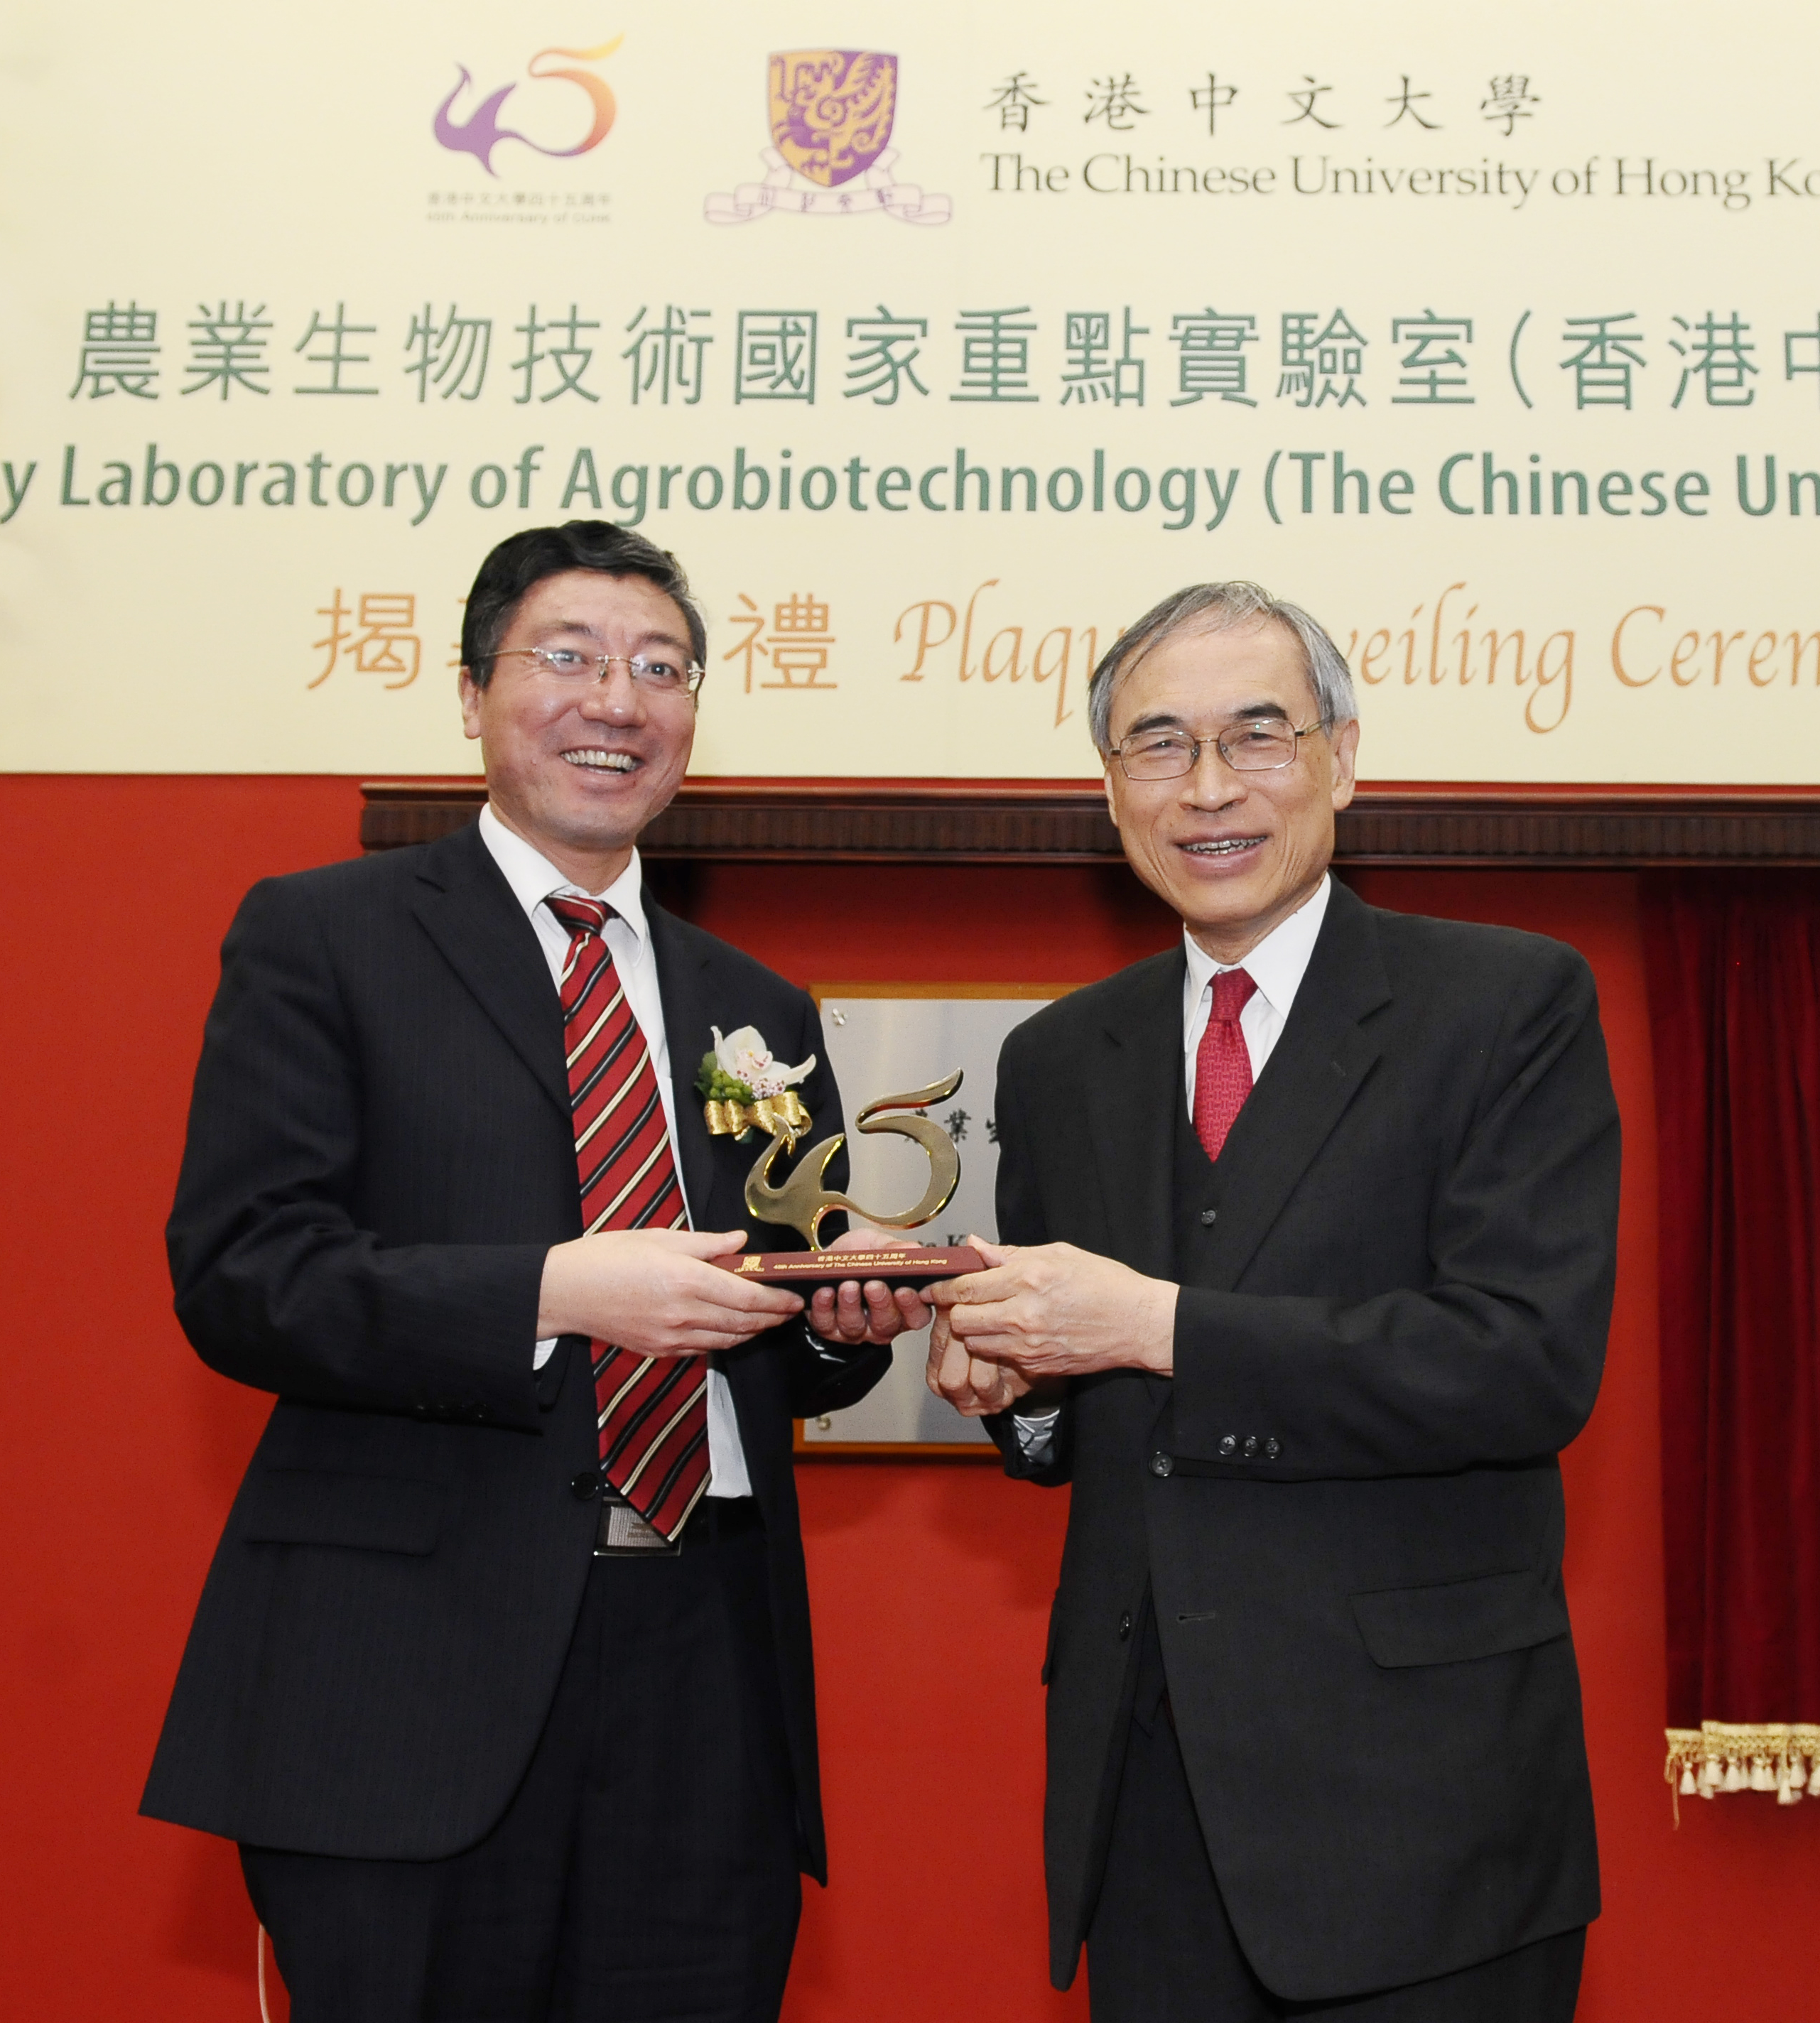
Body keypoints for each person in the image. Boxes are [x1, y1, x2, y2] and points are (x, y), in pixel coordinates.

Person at [142, 521, 926, 2022]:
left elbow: (793, 1321)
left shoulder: (752, 1004)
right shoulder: (326, 935)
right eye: (565, 658)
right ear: (470, 693)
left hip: (706, 1659)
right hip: (412, 1669)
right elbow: (244, 1270)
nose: (615, 700)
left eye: (659, 669)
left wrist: (848, 1317)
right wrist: (554, 1293)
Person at [928, 582, 1621, 2021]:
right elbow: (1081, 1394)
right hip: (1150, 1798)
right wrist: (1022, 1388)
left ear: (1341, 754)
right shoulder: (1060, 1056)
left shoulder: (1504, 1003)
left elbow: (1518, 1361)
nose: (1207, 790)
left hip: (1421, 1808)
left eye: (1256, 736)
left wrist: (1145, 1323)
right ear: (1109, 784)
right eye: (1157, 746)